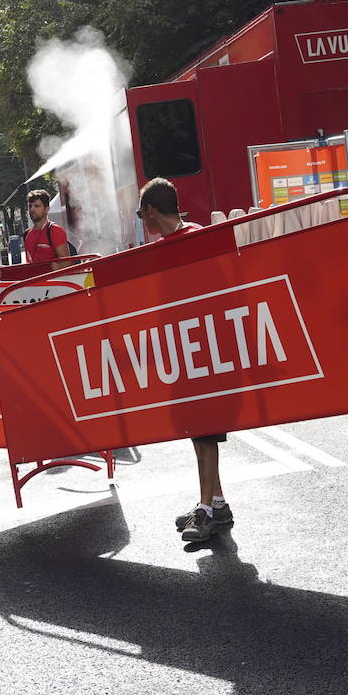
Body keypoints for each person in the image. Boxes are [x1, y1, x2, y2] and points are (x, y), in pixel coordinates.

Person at [136, 177, 232, 543]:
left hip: (204, 352)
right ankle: (218, 504)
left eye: (141, 213)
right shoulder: (175, 241)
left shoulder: (194, 237)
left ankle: (205, 511)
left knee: (205, 432)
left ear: (150, 211)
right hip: (186, 351)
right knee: (198, 431)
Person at [22, 189, 74, 269]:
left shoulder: (55, 230)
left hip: (53, 280)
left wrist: (59, 266)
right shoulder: (27, 234)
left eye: (37, 206)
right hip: (36, 280)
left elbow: (68, 262)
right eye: (30, 206)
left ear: (47, 209)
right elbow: (29, 263)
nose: (32, 209)